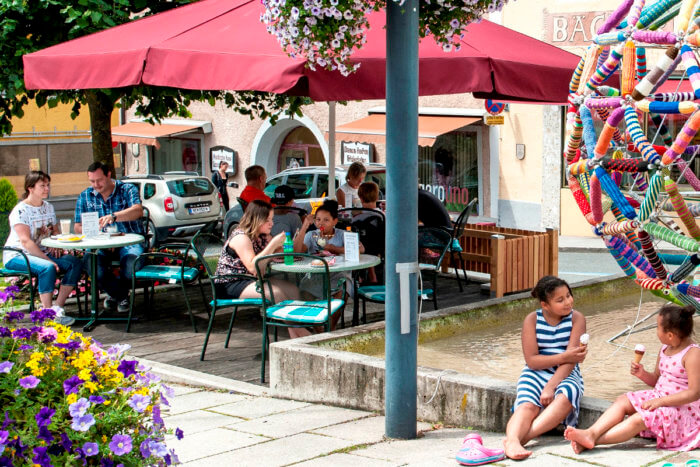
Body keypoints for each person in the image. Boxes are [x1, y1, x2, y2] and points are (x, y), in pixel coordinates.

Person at [564, 303, 700, 454]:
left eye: (657, 327)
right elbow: (657, 380)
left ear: (670, 335)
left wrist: (660, 402)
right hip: (659, 397)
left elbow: (694, 393)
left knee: (640, 418)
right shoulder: (665, 348)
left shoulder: (693, 354)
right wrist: (642, 374)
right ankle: (591, 433)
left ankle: (595, 440)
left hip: (682, 409)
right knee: (623, 400)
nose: (656, 331)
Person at [504, 275, 587, 460]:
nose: (568, 302)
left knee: (567, 396)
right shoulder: (532, 320)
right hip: (535, 372)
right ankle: (513, 440)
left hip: (566, 372)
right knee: (527, 405)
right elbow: (532, 360)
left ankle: (519, 439)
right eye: (560, 300)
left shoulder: (577, 319)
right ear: (545, 305)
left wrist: (551, 386)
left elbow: (572, 361)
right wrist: (565, 355)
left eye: (568, 295)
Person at [2, 171, 80, 325]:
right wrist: (47, 260)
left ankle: (57, 307)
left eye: (48, 185)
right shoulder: (20, 211)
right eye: (42, 186)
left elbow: (54, 230)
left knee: (75, 263)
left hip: (41, 252)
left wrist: (55, 244)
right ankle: (47, 314)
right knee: (47, 268)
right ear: (30, 188)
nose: (47, 189)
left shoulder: (49, 207)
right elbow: (26, 242)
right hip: (18, 255)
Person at [214, 200, 299, 333]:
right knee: (275, 293)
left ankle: (301, 328)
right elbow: (253, 267)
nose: (272, 223)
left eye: (272, 219)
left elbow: (278, 253)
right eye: (268, 220)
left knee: (293, 290)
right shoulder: (241, 237)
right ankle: (299, 331)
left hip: (251, 280)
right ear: (257, 220)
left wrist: (283, 246)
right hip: (231, 283)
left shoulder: (262, 236)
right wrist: (273, 245)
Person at [74, 162, 144, 313]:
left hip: (129, 241)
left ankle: (115, 294)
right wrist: (95, 231)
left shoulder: (127, 189)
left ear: (109, 175)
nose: (96, 185)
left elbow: (138, 211)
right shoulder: (85, 195)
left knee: (132, 264)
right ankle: (120, 295)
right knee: (91, 263)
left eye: (99, 180)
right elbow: (77, 227)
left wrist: (114, 216)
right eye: (92, 181)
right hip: (100, 243)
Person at [293, 199, 365, 332]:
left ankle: (329, 327)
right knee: (304, 292)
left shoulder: (342, 234)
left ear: (335, 221)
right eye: (318, 219)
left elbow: (360, 249)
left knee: (342, 290)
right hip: (316, 275)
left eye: (326, 220)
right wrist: (304, 226)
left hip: (339, 274)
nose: (321, 223)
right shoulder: (311, 235)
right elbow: (297, 251)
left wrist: (334, 248)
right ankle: (322, 330)